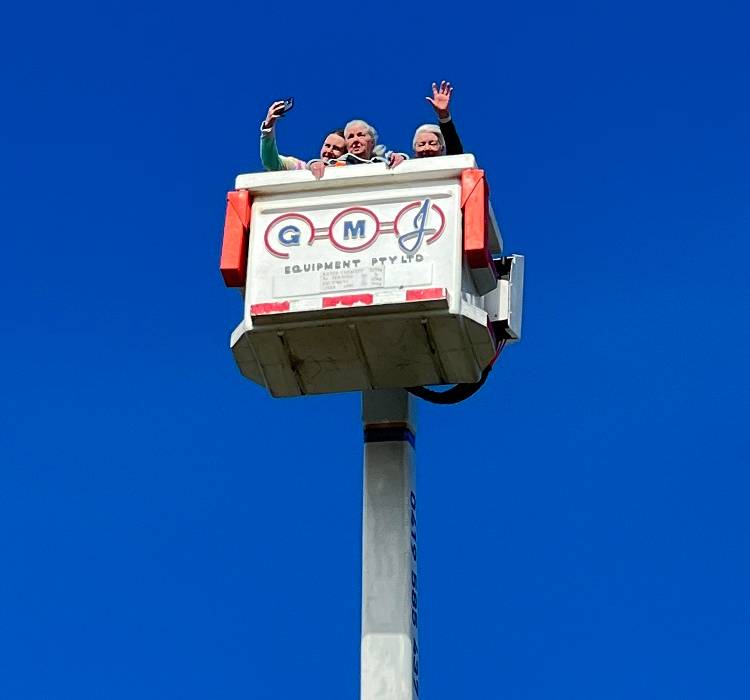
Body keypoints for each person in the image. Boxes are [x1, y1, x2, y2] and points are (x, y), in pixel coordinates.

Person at [259, 100, 347, 171]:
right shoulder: (303, 169)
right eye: (327, 145)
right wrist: (268, 127)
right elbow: (271, 162)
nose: (329, 151)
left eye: (336, 148)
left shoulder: (351, 171)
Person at [412, 81, 463, 158]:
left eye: (432, 144)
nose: (427, 148)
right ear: (414, 150)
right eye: (421, 144)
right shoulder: (406, 166)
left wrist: (443, 115)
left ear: (441, 148)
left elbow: (455, 152)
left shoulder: (450, 164)